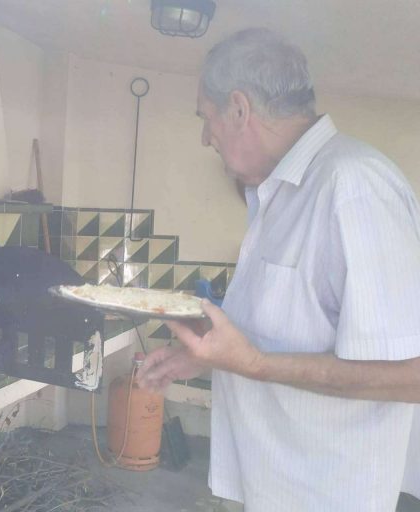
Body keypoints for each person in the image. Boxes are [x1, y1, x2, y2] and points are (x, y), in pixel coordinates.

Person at [138, 28, 420, 511]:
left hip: (325, 495)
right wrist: (210, 356)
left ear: (240, 109)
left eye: (207, 117)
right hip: (271, 486)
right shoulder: (276, 194)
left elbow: (412, 375)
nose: (206, 137)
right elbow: (291, 330)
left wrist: (254, 365)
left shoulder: (352, 187)